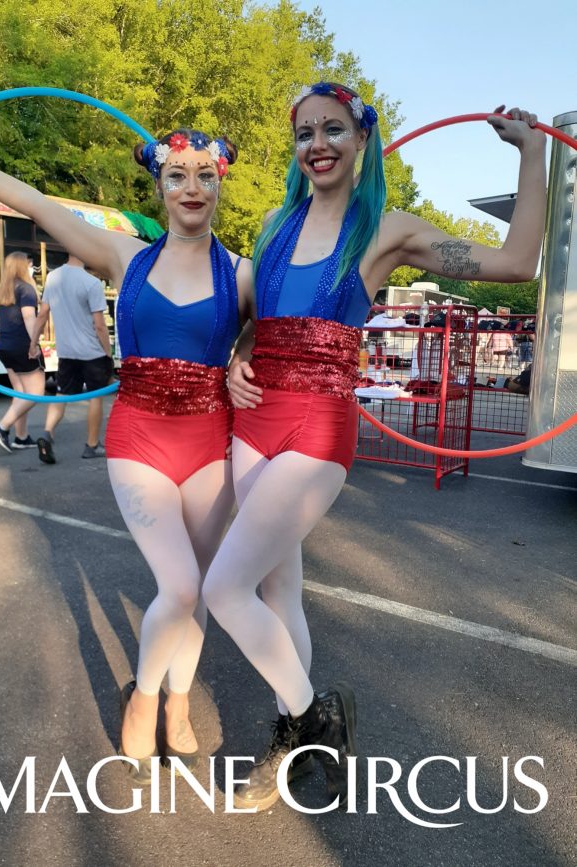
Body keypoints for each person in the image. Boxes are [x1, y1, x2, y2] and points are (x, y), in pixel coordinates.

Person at [204, 84, 546, 810]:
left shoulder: (386, 229)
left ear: (362, 140)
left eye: (333, 129)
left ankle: (313, 717)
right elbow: (256, 319)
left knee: (222, 587)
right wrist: (237, 353)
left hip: (318, 427)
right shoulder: (274, 225)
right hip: (256, 418)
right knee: (275, 587)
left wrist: (532, 153)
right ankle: (290, 733)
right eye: (304, 133)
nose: (317, 143)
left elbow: (519, 262)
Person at [0, 106, 253, 783]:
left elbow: (285, 326)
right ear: (159, 187)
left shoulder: (243, 274)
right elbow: (34, 202)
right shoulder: (124, 256)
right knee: (182, 583)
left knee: (191, 592)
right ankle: (143, 697)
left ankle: (177, 703)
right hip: (140, 436)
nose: (191, 187)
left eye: (203, 174)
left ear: (219, 182)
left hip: (209, 440)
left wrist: (242, 357)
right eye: (176, 176)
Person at [28, 254, 113, 463]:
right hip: (92, 352)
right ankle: (92, 445)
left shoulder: (53, 277)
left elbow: (42, 314)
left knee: (61, 394)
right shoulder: (91, 283)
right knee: (95, 396)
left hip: (66, 351)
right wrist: (108, 353)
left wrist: (32, 343)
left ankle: (47, 433)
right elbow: (100, 325)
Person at [0, 251, 45, 453]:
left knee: (20, 393)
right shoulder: (27, 289)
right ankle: (2, 426)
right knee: (36, 393)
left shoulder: (4, 291)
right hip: (22, 346)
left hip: (5, 346)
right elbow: (29, 318)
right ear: (22, 266)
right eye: (29, 264)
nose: (32, 267)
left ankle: (21, 437)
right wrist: (34, 344)